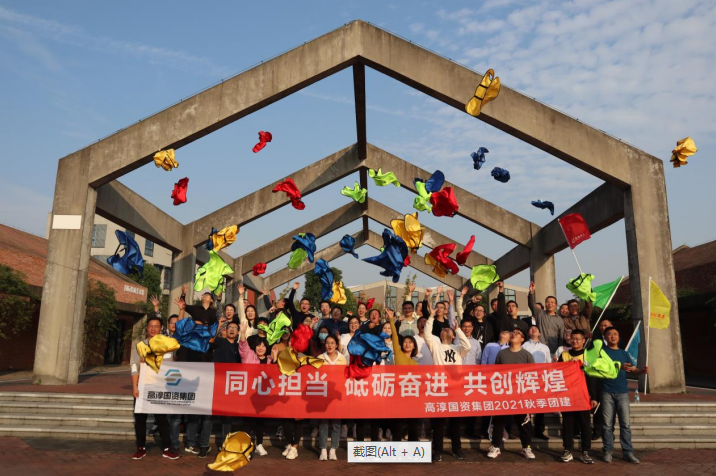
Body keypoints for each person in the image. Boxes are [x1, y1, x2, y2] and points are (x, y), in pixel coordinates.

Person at [130, 315, 179, 460]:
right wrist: (135, 387)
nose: (153, 329)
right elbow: (134, 367)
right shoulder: (140, 346)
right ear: (147, 328)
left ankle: (167, 448)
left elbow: (170, 366)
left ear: (161, 328)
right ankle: (141, 447)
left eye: (156, 326)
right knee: (140, 419)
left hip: (160, 388)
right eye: (151, 326)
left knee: (162, 419)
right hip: (142, 387)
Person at [424, 310, 471, 461]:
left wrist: (458, 329)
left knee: (455, 423)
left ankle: (457, 449)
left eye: (448, 329)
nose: (446, 330)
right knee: (438, 424)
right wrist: (431, 316)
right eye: (443, 329)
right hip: (439, 390)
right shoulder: (435, 346)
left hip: (455, 390)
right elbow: (427, 334)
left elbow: (467, 346)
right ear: (440, 334)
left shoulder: (458, 349)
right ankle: (437, 450)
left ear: (453, 336)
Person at [486, 329, 536, 460]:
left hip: (521, 394)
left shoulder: (527, 355)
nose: (514, 334)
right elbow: (496, 373)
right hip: (504, 394)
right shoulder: (501, 354)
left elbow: (532, 375)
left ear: (522, 339)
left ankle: (526, 447)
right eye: (513, 332)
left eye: (518, 333)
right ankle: (495, 446)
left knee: (524, 423)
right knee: (499, 421)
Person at [601, 327, 648, 464]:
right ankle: (608, 451)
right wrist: (618, 366)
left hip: (622, 392)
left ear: (619, 336)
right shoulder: (601, 353)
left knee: (625, 424)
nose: (613, 336)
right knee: (607, 425)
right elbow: (601, 367)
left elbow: (633, 370)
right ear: (605, 337)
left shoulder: (624, 353)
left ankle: (628, 452)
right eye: (609, 334)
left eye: (615, 334)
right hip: (606, 391)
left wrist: (642, 371)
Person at [558, 329, 599, 464]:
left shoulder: (588, 355)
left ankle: (585, 452)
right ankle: (567, 450)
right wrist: (569, 365)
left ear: (583, 340)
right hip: (568, 395)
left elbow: (592, 377)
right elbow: (557, 374)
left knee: (585, 425)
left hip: (583, 395)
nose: (575, 341)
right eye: (573, 338)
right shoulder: (564, 355)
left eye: (578, 339)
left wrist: (594, 397)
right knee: (567, 424)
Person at [238, 321, 274, 457]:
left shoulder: (270, 359)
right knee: (247, 422)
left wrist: (275, 359)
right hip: (249, 395)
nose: (261, 348)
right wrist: (242, 332)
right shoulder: (249, 356)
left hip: (263, 396)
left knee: (260, 422)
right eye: (259, 345)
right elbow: (243, 346)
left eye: (263, 346)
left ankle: (259, 444)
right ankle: (245, 446)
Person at [317, 335, 346, 461]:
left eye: (332, 343)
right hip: (323, 395)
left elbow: (345, 376)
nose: (330, 345)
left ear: (336, 345)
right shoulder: (320, 358)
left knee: (336, 424)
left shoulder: (342, 358)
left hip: (337, 396)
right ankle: (323, 449)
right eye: (327, 343)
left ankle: (333, 449)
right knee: (323, 423)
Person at [212, 320, 241, 446]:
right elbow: (210, 340)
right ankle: (204, 444)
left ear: (238, 332)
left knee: (228, 416)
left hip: (232, 385)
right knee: (211, 414)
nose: (232, 329)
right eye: (230, 327)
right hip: (217, 381)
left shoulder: (239, 347)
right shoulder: (220, 341)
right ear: (226, 330)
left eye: (235, 328)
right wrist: (218, 327)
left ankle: (225, 443)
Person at [522, 325, 551, 440]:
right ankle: (527, 430)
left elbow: (548, 363)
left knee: (540, 405)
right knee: (527, 405)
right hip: (527, 378)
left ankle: (539, 430)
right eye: (531, 329)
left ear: (539, 333)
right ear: (528, 333)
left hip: (541, 378)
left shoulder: (545, 347)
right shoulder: (524, 345)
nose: (534, 330)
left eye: (536, 329)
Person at [527, 281, 565, 356]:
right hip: (539, 349)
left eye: (552, 302)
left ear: (556, 305)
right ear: (545, 304)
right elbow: (531, 304)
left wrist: (559, 352)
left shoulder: (560, 320)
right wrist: (531, 292)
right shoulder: (540, 313)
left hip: (553, 351)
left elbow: (561, 337)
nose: (550, 304)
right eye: (548, 302)